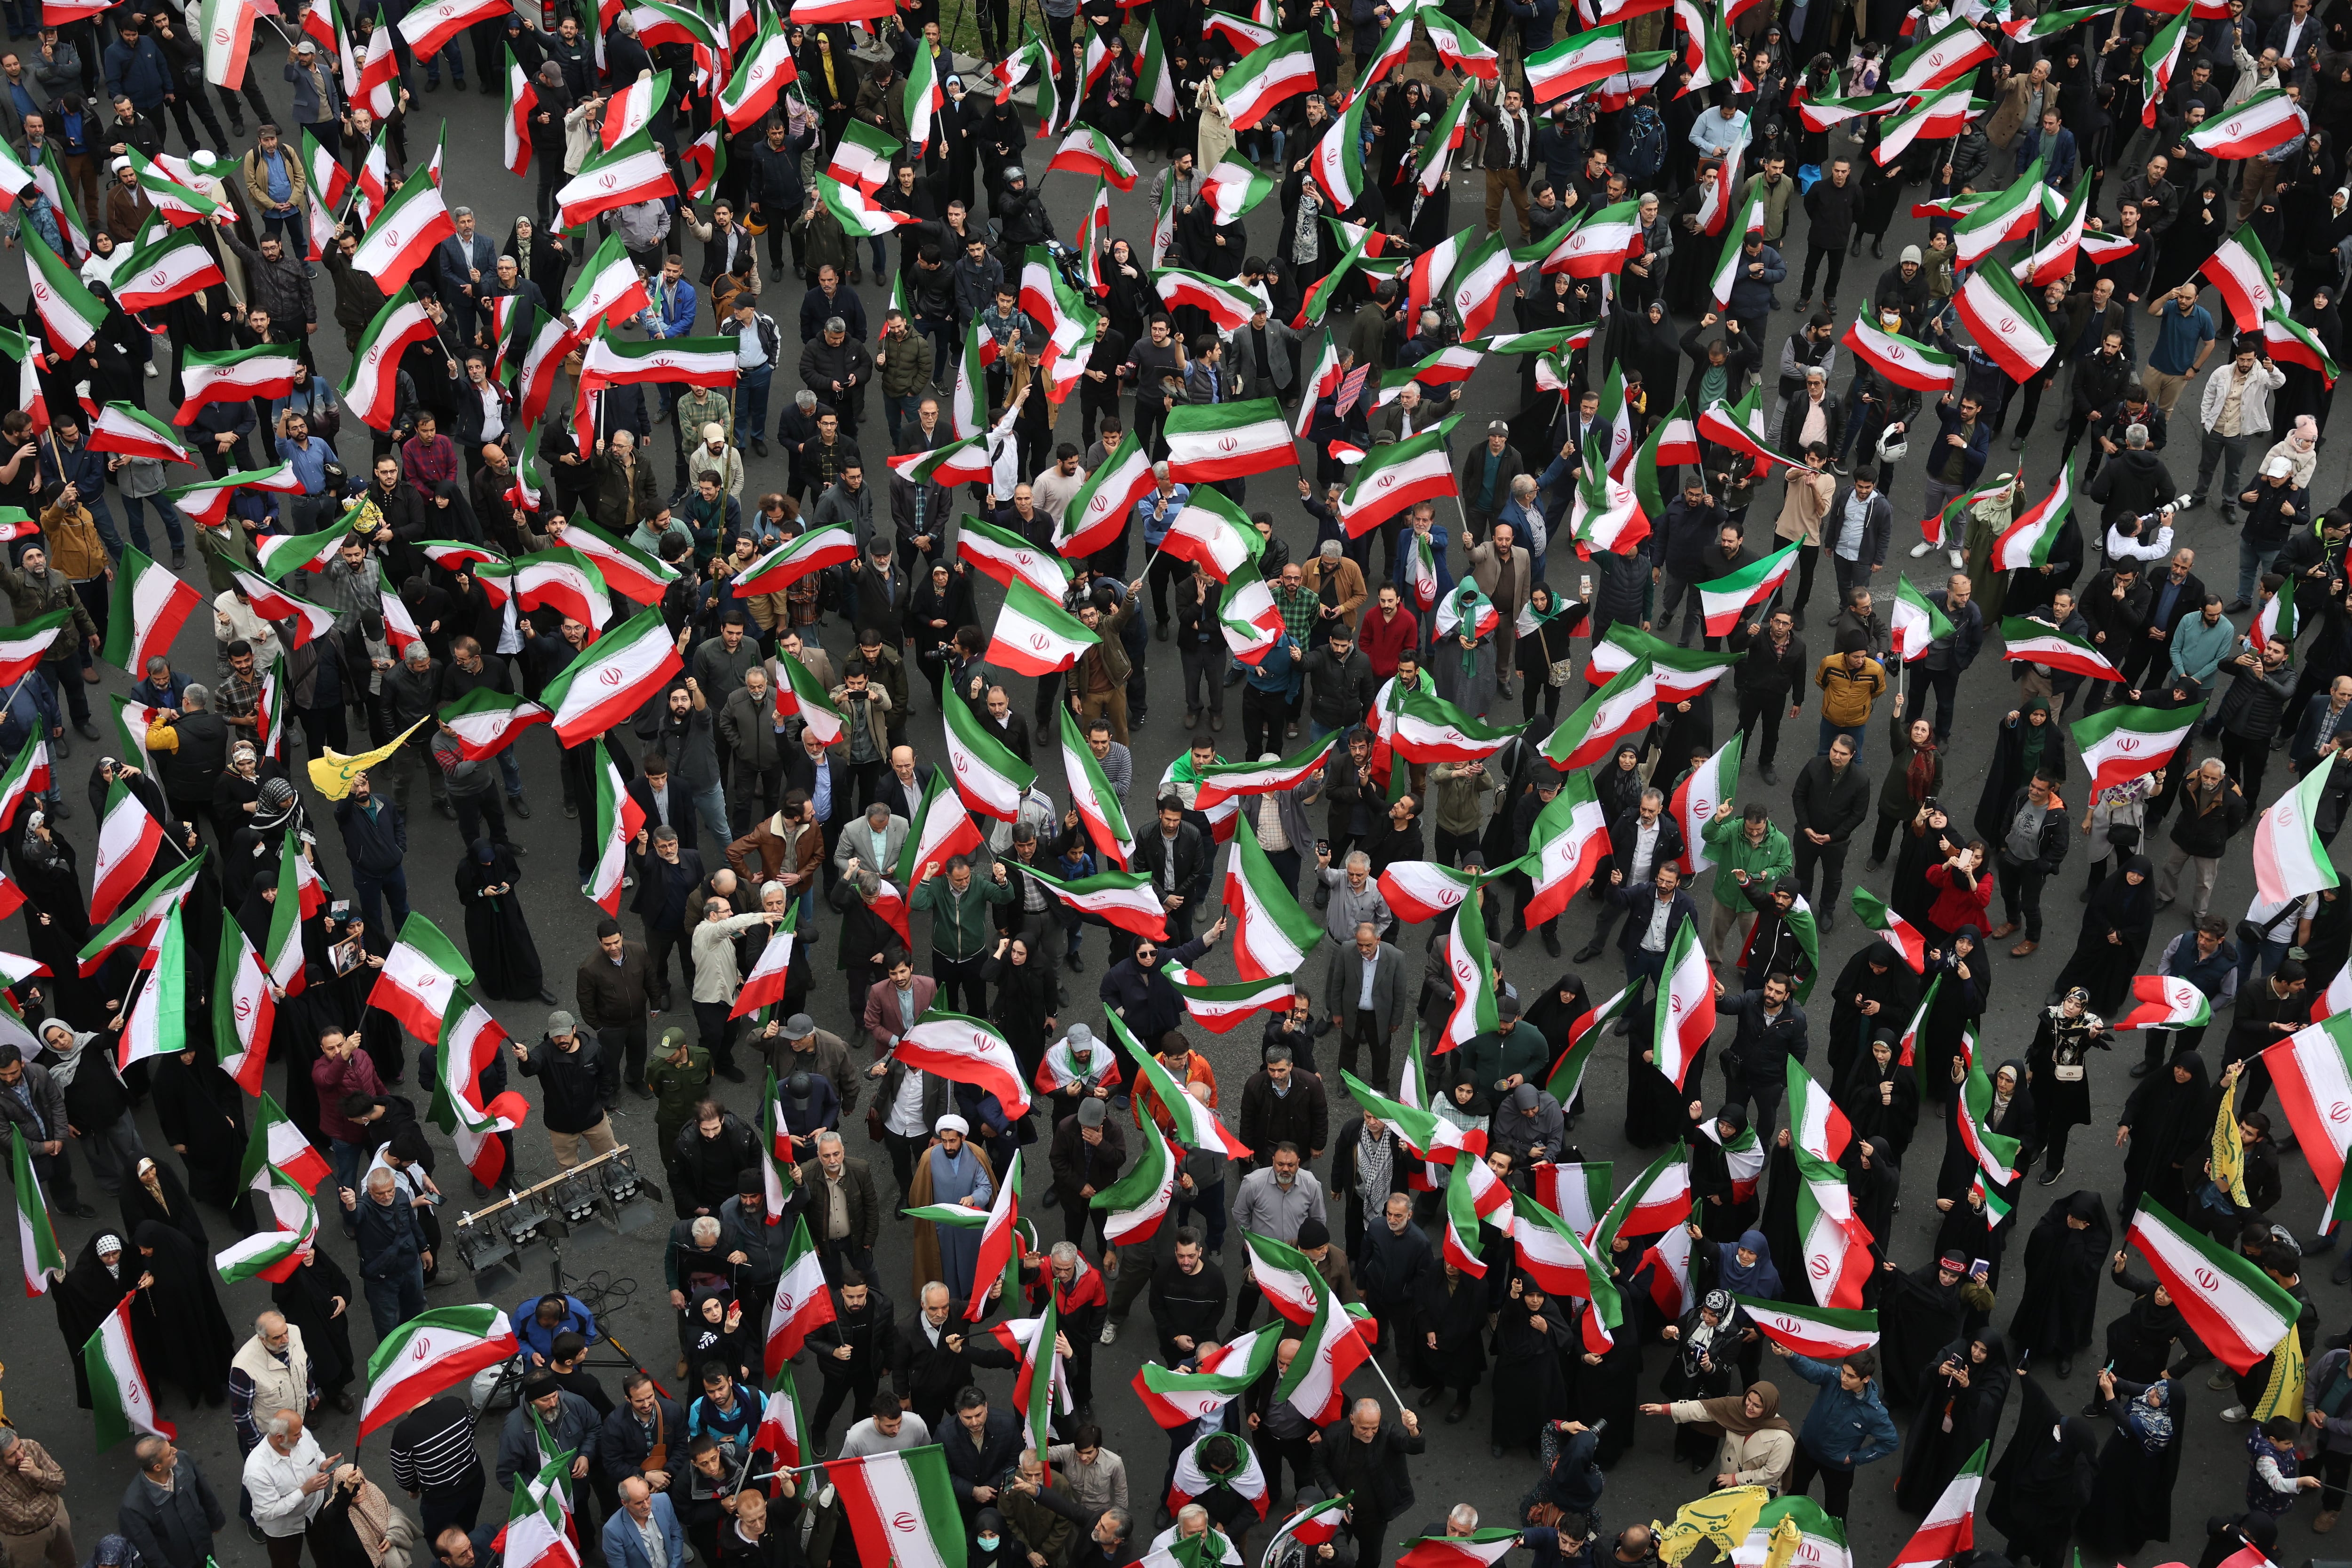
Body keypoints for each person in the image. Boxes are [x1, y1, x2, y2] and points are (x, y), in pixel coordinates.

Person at [1768, 1346, 1897, 1521]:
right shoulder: (1834, 1377)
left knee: (1836, 1512)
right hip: (1806, 1450)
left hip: (1837, 1465)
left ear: (1866, 1379)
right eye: (1844, 1371)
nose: (1843, 1378)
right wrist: (1790, 1355)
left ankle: (1835, 1544)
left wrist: (1855, 1458)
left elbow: (1890, 1442)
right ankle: (1788, 1530)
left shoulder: (1875, 1412)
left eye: (1851, 1376)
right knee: (1794, 1493)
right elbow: (1811, 1369)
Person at [117, 1438, 227, 1568]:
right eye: (169, 1453)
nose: (175, 1451)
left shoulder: (183, 1460)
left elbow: (203, 1491)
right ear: (158, 1467)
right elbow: (148, 1549)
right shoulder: (132, 1507)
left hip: (203, 1546)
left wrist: (216, 1521)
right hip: (178, 1562)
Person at [0, 1425, 73, 1568]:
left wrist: (38, 1474)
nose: (21, 1455)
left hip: (57, 1519)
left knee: (68, 1563)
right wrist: (49, 1491)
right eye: (12, 1455)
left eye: (19, 1447)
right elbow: (25, 1517)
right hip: (25, 1538)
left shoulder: (31, 1447)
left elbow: (60, 1481)